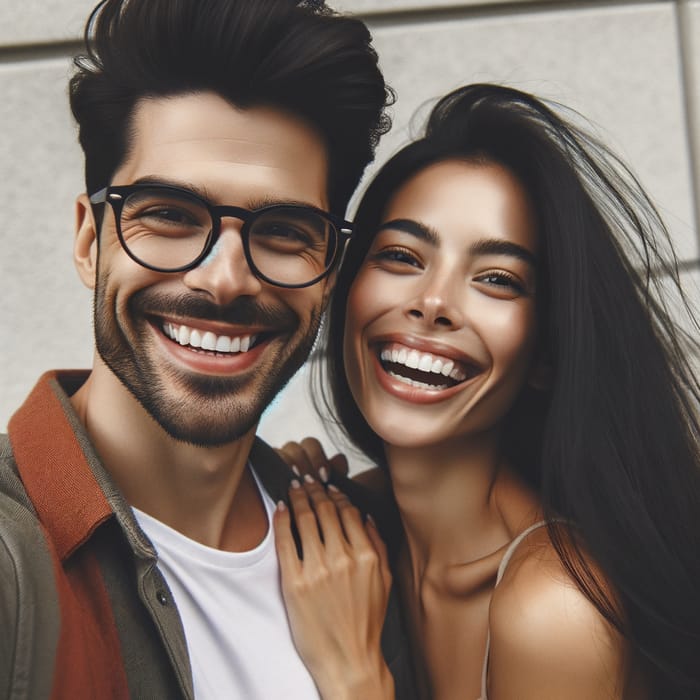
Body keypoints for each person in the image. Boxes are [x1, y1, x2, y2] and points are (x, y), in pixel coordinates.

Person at [0, 1, 419, 698]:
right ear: (88, 239)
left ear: (330, 272)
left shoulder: (362, 554)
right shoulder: (15, 566)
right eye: (168, 214)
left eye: (283, 229)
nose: (224, 279)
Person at [273, 84, 700, 699]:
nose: (434, 303)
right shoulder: (367, 527)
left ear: (545, 356)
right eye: (401, 255)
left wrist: (354, 677)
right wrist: (285, 493)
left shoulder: (553, 606)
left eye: (496, 279)